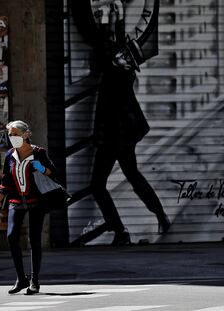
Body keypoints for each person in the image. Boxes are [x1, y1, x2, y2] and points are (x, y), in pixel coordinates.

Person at [72, 0, 170, 245]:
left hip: (113, 137)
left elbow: (105, 48)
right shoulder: (123, 71)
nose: (120, 56)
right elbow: (112, 47)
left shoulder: (114, 70)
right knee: (133, 176)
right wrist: (117, 20)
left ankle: (120, 231)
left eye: (124, 56)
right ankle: (160, 216)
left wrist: (111, 19)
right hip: (124, 136)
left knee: (97, 184)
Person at [0, 120, 56, 295]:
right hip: (16, 201)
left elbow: (53, 171)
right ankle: (21, 278)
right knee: (11, 236)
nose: (12, 137)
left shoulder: (38, 152)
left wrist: (43, 169)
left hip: (36, 201)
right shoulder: (10, 155)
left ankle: (34, 281)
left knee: (34, 239)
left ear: (26, 134)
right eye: (10, 134)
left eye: (15, 134)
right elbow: (6, 181)